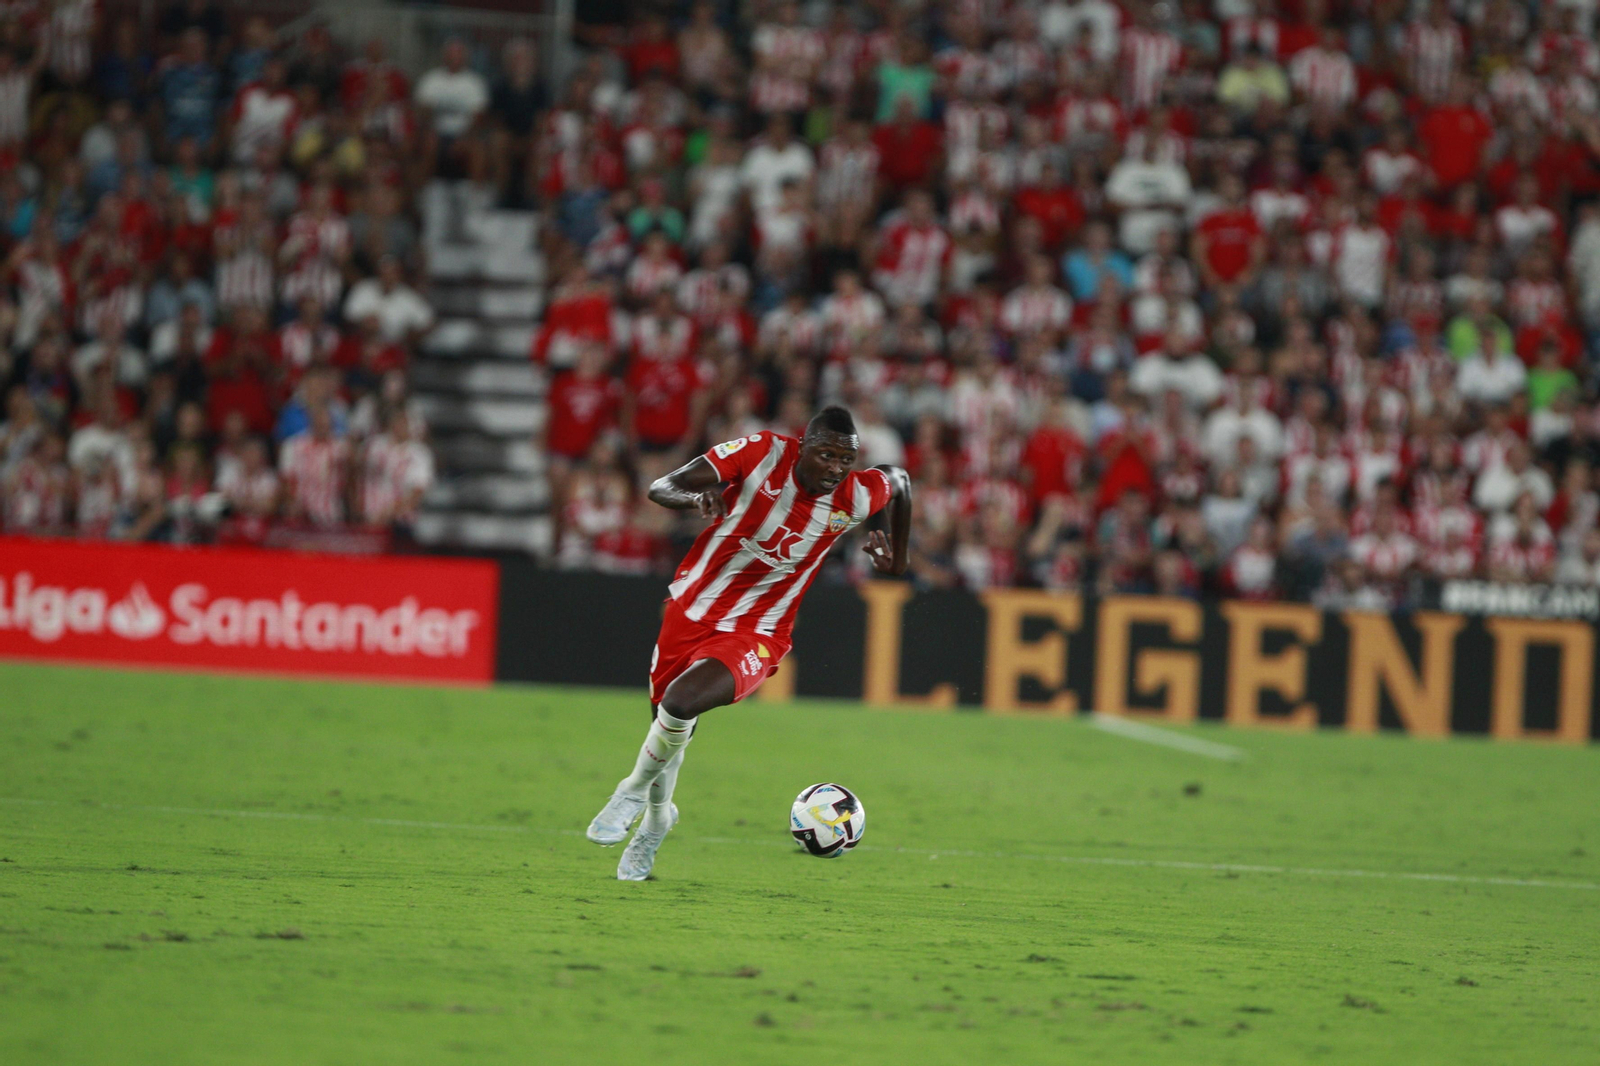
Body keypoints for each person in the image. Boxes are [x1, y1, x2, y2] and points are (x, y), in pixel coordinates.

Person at [586, 406, 912, 881]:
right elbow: (663, 487)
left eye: (846, 459)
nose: (836, 469)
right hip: (692, 609)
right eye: (826, 455)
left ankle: (630, 792)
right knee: (670, 728)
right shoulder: (761, 453)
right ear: (803, 447)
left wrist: (899, 560)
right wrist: (698, 498)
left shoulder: (854, 494)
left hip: (760, 631)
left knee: (680, 703)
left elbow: (899, 480)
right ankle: (656, 823)